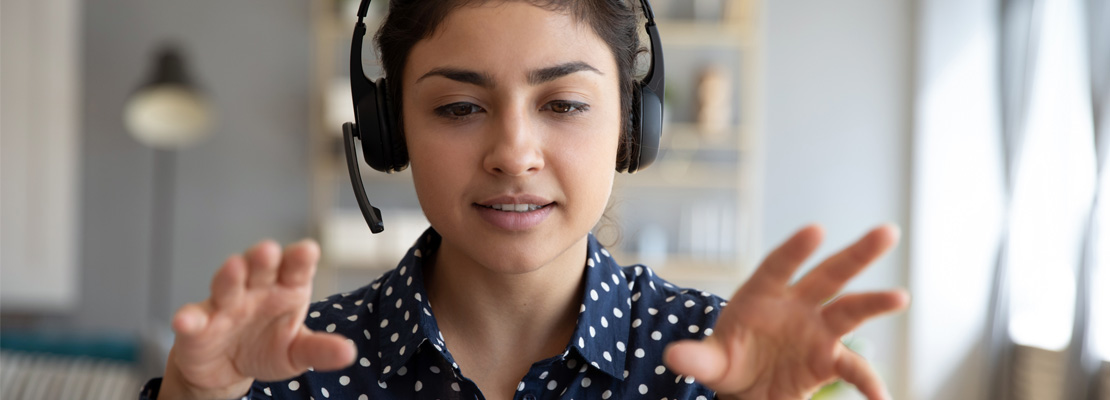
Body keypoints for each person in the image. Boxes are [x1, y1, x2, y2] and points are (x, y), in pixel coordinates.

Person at [141, 1, 909, 399]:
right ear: (389, 128)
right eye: (458, 108)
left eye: (564, 104)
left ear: (632, 126)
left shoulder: (713, 366)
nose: (513, 152)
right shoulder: (291, 367)